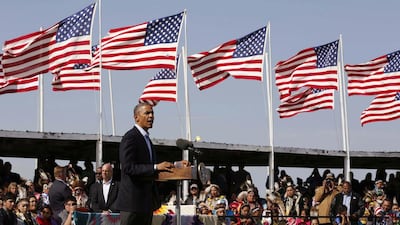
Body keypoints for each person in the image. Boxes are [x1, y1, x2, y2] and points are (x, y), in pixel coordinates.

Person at [115, 103, 189, 225]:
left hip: (146, 204)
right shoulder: (131, 137)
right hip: (132, 204)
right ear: (136, 117)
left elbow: (155, 165)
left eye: (152, 113)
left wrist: (176, 165)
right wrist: (155, 167)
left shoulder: (146, 139)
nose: (151, 116)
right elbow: (128, 167)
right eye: (147, 113)